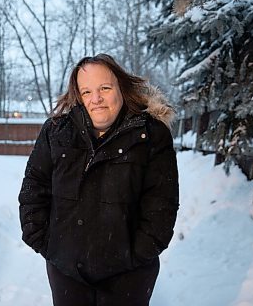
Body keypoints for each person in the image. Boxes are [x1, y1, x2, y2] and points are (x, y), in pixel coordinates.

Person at [18, 53, 179, 306]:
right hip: (67, 272)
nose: (96, 99)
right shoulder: (56, 131)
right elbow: (34, 186)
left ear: (121, 88)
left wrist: (138, 255)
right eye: (86, 91)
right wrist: (45, 242)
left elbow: (162, 203)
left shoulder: (151, 135)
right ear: (78, 96)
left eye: (104, 88)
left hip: (129, 275)